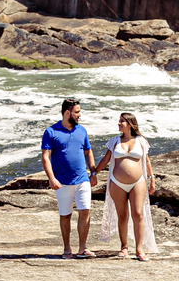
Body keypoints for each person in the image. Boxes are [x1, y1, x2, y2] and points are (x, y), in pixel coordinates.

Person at [94, 112, 157, 261]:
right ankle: (124, 247)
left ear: (130, 124)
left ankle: (139, 249)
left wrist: (152, 178)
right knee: (122, 216)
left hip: (138, 182)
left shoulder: (141, 141)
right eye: (119, 121)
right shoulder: (115, 141)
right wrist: (94, 172)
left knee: (138, 214)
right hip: (117, 183)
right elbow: (106, 159)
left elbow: (146, 161)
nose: (119, 123)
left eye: (122, 121)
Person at [41, 98, 99, 259]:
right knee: (65, 215)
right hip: (62, 182)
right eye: (77, 112)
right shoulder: (51, 132)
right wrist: (51, 178)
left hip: (82, 180)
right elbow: (45, 157)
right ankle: (67, 249)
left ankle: (82, 248)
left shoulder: (81, 130)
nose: (80, 115)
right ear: (67, 112)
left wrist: (93, 173)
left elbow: (88, 152)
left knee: (85, 211)